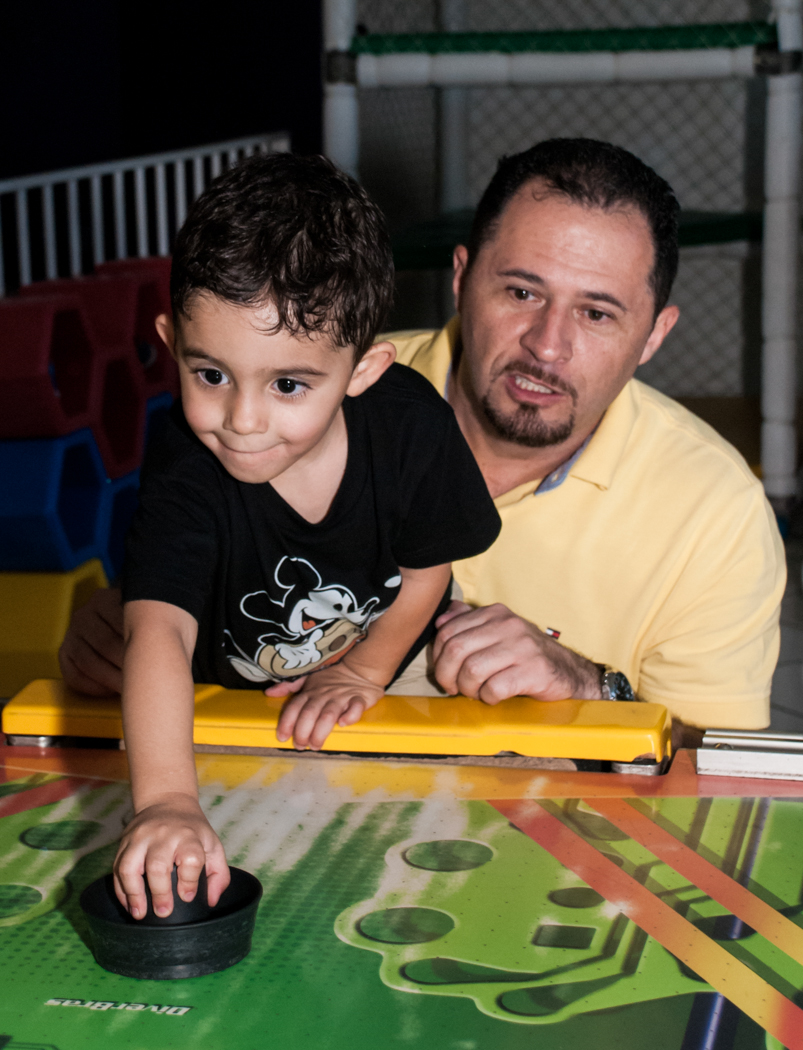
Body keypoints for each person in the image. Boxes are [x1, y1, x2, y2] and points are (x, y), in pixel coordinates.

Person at [60, 137, 785, 737]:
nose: (547, 345)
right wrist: (124, 624)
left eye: (597, 313)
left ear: (654, 334)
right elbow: (194, 568)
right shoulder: (298, 377)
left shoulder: (717, 510)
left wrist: (592, 688)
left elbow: (721, 765)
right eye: (521, 292)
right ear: (461, 279)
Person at [113, 153, 500, 919]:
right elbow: (156, 627)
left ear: (364, 370)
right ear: (170, 340)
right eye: (211, 375)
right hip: (225, 695)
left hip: (390, 662)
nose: (243, 420)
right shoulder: (186, 465)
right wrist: (162, 801)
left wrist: (363, 671)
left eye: (288, 384)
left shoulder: (409, 426)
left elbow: (427, 571)